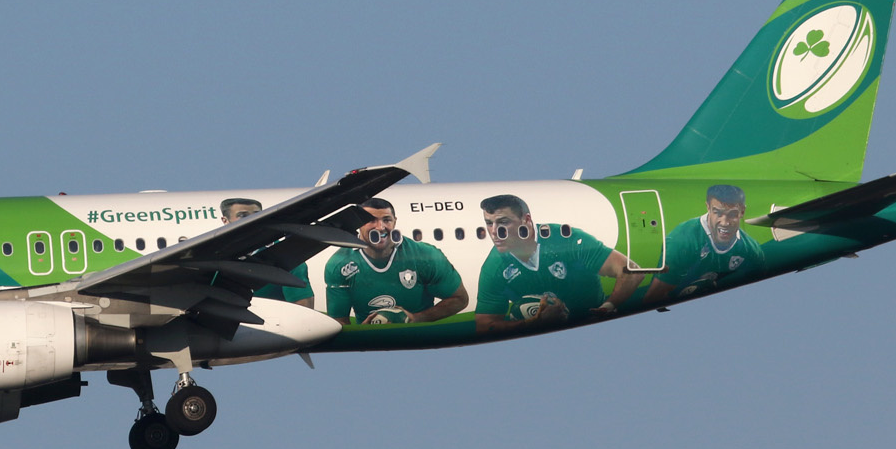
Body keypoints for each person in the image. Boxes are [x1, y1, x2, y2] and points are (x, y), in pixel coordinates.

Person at [474, 193, 640, 335]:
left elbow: (632, 271)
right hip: (553, 341)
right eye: (489, 223)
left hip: (594, 328)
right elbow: (484, 325)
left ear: (526, 220)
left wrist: (608, 306)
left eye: (503, 222)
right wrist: (534, 322)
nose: (494, 231)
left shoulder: (565, 240)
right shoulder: (494, 268)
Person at [325, 199, 468, 325]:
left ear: (395, 222)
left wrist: (417, 318)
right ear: (359, 224)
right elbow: (339, 321)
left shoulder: (425, 255)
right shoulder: (339, 264)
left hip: (419, 337)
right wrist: (364, 332)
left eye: (386, 220)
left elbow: (460, 299)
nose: (380, 227)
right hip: (372, 344)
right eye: (371, 220)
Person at [643, 184, 765, 304]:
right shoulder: (682, 241)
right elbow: (653, 298)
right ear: (708, 207)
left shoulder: (751, 250)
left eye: (732, 214)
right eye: (718, 213)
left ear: (742, 212)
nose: (724, 222)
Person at [219, 197, 314, 307]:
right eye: (243, 216)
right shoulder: (219, 258)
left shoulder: (285, 256)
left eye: (257, 214)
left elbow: (302, 307)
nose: (253, 219)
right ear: (225, 221)